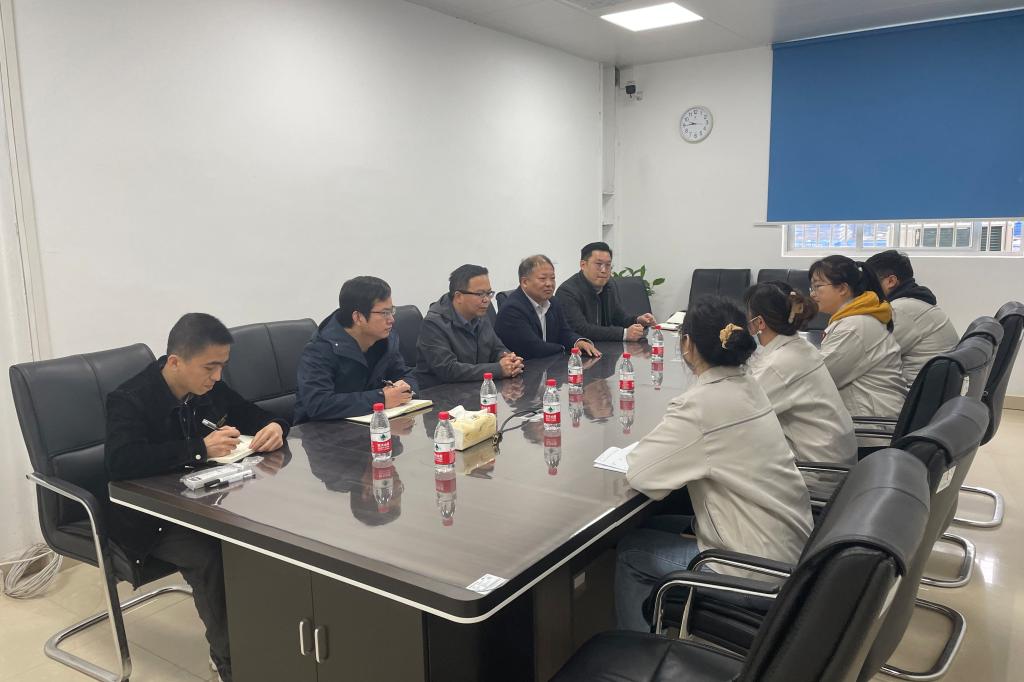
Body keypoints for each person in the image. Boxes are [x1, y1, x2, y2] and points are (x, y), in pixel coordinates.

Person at [105, 313, 290, 682]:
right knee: (211, 557)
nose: (217, 376)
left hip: (208, 500)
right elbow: (121, 462)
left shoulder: (209, 388)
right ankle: (230, 664)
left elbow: (254, 414)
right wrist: (198, 449)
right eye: (210, 367)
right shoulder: (129, 399)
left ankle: (267, 639)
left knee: (264, 540)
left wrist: (275, 426)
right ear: (176, 362)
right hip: (151, 518)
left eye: (222, 366)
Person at [615, 297, 812, 632]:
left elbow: (641, 473)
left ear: (687, 344)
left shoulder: (701, 404)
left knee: (630, 551)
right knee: (656, 524)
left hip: (751, 572)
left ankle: (637, 651)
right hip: (789, 551)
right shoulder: (748, 384)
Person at [744, 281, 857, 466]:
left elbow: (741, 415)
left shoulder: (779, 365)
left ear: (759, 322)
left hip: (816, 468)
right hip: (834, 457)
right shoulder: (800, 346)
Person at [294, 276, 418, 423]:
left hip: (375, 425)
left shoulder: (386, 340)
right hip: (323, 431)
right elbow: (318, 404)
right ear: (358, 317)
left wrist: (404, 389)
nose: (391, 319)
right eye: (384, 313)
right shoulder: (320, 350)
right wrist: (381, 398)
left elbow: (406, 375)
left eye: (392, 311)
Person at [808, 255, 907, 420]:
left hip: (870, 423)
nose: (812, 294)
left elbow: (818, 378)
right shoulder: (855, 319)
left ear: (842, 288)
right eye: (811, 287)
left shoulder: (854, 326)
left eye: (817, 286)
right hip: (868, 416)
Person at [415, 264, 524, 388]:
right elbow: (449, 370)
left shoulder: (480, 314)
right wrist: (498, 369)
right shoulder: (433, 324)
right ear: (459, 296)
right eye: (480, 294)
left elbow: (497, 348)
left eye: (489, 293)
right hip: (441, 393)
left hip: (476, 388)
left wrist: (510, 360)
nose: (486, 300)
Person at [865, 249, 959, 384]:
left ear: (891, 281)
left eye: (870, 283)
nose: (866, 290)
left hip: (915, 391)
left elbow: (868, 356)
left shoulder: (901, 310)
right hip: (931, 386)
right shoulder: (915, 300)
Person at [494, 254, 601, 359]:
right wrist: (565, 348)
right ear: (525, 282)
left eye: (552, 278)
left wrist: (577, 342)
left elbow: (564, 332)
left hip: (548, 363)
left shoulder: (553, 302)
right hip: (525, 366)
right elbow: (534, 348)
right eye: (543, 279)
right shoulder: (512, 309)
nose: (549, 284)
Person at [555, 241, 656, 341]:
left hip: (607, 347)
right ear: (583, 265)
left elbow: (620, 318)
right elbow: (581, 330)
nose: (603, 270)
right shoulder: (567, 292)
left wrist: (638, 321)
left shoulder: (609, 286)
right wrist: (623, 334)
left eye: (608, 265)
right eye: (598, 264)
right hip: (582, 349)